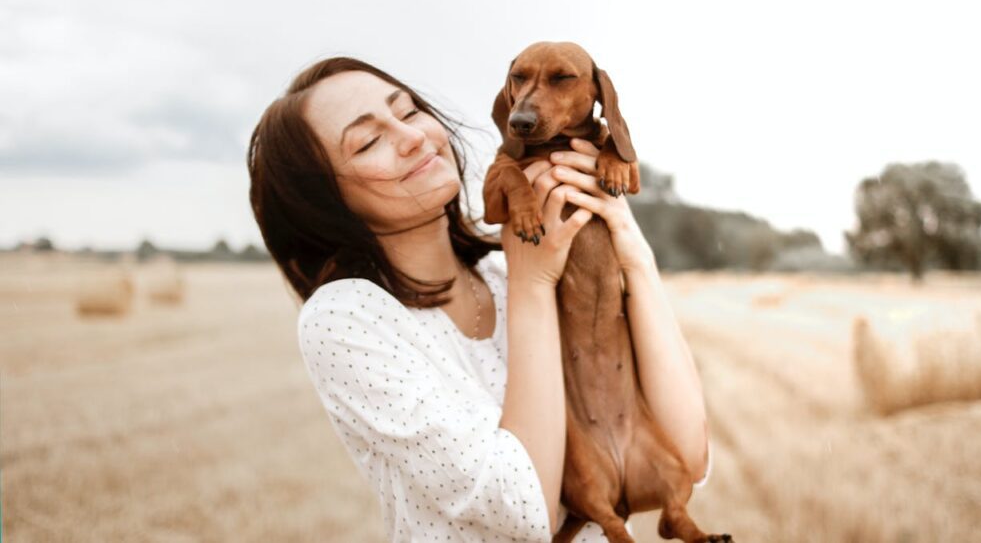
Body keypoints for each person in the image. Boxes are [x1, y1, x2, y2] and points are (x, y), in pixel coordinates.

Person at [246, 57, 712, 542]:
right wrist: (533, 287)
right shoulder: (345, 319)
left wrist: (634, 253)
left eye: (407, 113)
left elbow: (690, 456)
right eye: (368, 142)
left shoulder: (502, 271)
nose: (413, 138)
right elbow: (524, 513)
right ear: (322, 200)